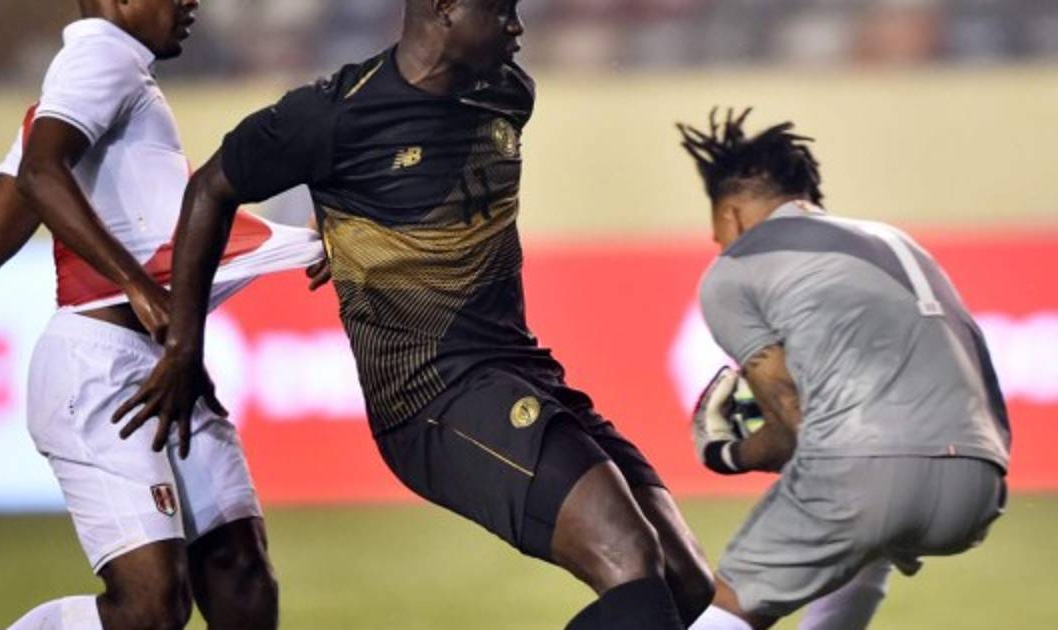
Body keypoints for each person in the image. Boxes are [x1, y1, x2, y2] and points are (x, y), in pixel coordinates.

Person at [117, 1, 714, 628]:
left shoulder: (508, 93)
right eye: (500, 10)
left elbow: (412, 185)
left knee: (686, 582)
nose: (517, 26)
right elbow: (210, 189)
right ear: (444, 8)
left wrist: (352, 226)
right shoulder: (335, 114)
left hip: (521, 369)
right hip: (432, 397)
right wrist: (184, 345)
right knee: (628, 556)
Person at [0, 1, 324, 629]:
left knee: (241, 578)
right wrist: (136, 286)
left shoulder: (86, 92)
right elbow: (39, 176)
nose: (191, 2)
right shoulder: (101, 56)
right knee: (152, 609)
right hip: (98, 373)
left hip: (166, 368)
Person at [677, 109, 1011, 630]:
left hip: (864, 472)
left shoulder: (734, 268)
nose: (717, 241)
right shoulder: (901, 244)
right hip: (979, 483)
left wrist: (730, 453)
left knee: (734, 604)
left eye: (716, 228)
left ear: (732, 216)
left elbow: (792, 418)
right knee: (862, 552)